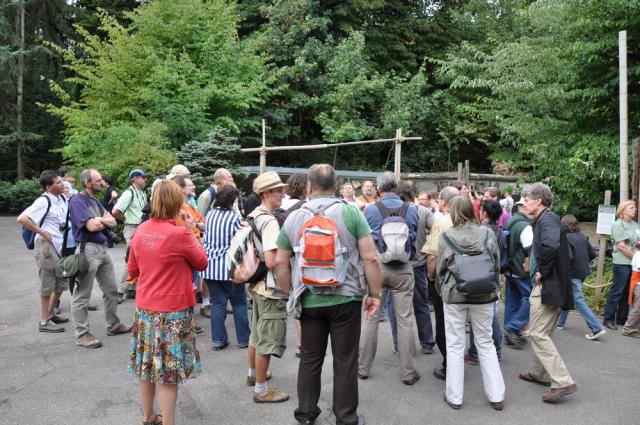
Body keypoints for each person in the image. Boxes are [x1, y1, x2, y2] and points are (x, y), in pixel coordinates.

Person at [274, 163, 382, 425]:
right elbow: (371, 259)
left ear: (309, 186)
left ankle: (307, 415)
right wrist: (374, 294)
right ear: (336, 185)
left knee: (310, 359)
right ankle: (346, 417)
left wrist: (291, 293)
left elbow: (279, 261)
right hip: (346, 299)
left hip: (309, 298)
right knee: (346, 360)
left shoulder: (294, 216)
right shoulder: (351, 213)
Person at [127, 179, 208, 425]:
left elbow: (132, 269)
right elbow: (202, 262)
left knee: (146, 367)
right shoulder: (180, 233)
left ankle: (149, 416)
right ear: (177, 202)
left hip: (145, 310)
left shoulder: (141, 230)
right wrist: (192, 229)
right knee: (168, 373)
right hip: (172, 312)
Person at [437, 195, 505, 410]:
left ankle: (455, 397)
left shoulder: (446, 236)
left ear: (454, 212)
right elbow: (495, 264)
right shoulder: (487, 233)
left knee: (455, 344)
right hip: (484, 294)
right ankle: (497, 396)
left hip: (455, 295)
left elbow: (440, 269)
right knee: (485, 342)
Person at [359, 172, 420, 385]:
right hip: (403, 269)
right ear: (396, 187)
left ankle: (363, 368)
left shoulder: (371, 210)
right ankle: (409, 372)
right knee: (405, 320)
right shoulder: (411, 209)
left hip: (377, 269)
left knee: (371, 319)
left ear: (378, 188)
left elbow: (364, 241)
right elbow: (413, 236)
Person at [519, 182, 577, 403]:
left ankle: (563, 381)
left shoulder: (549, 220)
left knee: (538, 333)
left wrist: (541, 271)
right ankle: (540, 373)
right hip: (551, 285)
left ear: (539, 201)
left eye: (528, 199)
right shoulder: (544, 220)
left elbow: (552, 247)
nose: (524, 202)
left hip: (548, 286)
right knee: (544, 331)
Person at [69, 169, 131, 349]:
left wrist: (100, 220)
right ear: (87, 182)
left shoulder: (95, 200)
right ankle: (82, 335)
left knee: (111, 291)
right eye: (98, 180)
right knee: (82, 296)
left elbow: (112, 221)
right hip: (87, 250)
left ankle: (113, 325)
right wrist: (100, 220)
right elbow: (92, 226)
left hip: (103, 250)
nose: (102, 182)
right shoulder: (77, 201)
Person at [245, 171, 290, 403]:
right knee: (267, 340)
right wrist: (289, 289)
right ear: (265, 193)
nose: (282, 194)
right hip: (270, 288)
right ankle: (261, 391)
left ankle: (253, 375)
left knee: (256, 334)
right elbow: (274, 262)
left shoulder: (253, 215)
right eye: (278, 190)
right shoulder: (270, 221)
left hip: (254, 284)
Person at [385, 181, 435, 354]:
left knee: (394, 309)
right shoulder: (423, 211)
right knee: (421, 305)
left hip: (393, 265)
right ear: (412, 194)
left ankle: (399, 344)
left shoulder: (386, 211)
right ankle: (427, 342)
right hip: (418, 264)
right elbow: (435, 231)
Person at [17, 170, 70, 332]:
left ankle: (49, 314)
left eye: (62, 181)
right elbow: (22, 218)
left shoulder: (61, 198)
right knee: (47, 284)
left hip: (58, 247)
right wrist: (40, 231)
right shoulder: (43, 201)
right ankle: (44, 322)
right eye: (58, 182)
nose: (63, 184)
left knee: (61, 284)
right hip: (45, 246)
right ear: (49, 187)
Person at [200, 184, 250, 350]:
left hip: (210, 267)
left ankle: (218, 340)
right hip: (229, 269)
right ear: (233, 200)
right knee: (239, 303)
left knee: (218, 303)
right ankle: (244, 339)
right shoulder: (234, 219)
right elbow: (241, 242)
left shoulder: (210, 215)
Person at [422, 185, 459, 380]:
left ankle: (449, 365)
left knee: (444, 323)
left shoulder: (442, 222)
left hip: (445, 280)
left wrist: (431, 277)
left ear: (443, 202)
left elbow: (432, 256)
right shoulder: (472, 220)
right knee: (460, 323)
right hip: (469, 279)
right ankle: (460, 359)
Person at [464, 200, 504, 365]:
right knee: (490, 314)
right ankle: (497, 349)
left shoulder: (482, 232)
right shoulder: (500, 231)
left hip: (481, 277)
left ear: (485, 212)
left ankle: (475, 352)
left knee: (478, 315)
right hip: (495, 275)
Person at [556, 214, 605, 340]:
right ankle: (560, 323)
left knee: (577, 299)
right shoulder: (582, 237)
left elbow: (568, 257)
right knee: (569, 296)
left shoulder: (565, 238)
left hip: (572, 273)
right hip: (583, 272)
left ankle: (596, 328)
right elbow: (592, 254)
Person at [603, 200, 640, 330]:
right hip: (621, 263)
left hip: (633, 264)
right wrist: (636, 257)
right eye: (631, 207)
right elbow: (621, 246)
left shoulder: (636, 225)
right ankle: (608, 319)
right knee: (617, 291)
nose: (634, 209)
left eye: (635, 208)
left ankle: (621, 318)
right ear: (623, 210)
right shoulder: (618, 224)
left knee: (627, 293)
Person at [113, 169, 148, 302]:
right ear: (134, 179)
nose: (145, 179)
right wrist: (126, 220)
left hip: (140, 228)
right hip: (132, 228)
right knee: (131, 259)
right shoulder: (129, 193)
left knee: (137, 259)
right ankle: (120, 291)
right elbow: (116, 211)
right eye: (142, 177)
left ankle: (132, 290)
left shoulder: (142, 193)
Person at [503, 198, 533, 348]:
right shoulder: (525, 226)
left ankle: (509, 333)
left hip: (509, 268)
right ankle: (513, 327)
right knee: (531, 298)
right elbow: (530, 248)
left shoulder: (510, 221)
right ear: (525, 208)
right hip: (522, 270)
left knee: (512, 300)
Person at [622, 240, 640, 337]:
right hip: (638, 283)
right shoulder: (638, 254)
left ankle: (634, 329)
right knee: (637, 308)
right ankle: (629, 329)